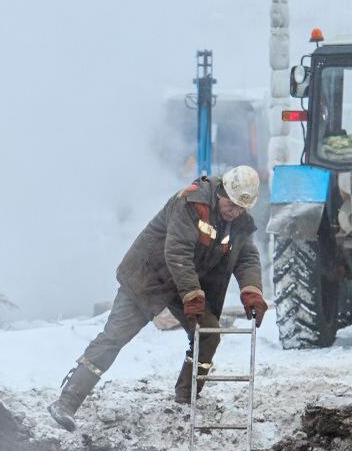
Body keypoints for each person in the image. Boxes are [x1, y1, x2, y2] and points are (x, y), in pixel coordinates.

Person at [47, 166, 268, 431]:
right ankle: (67, 402)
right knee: (115, 335)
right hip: (148, 278)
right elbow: (177, 251)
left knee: (208, 333)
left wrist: (252, 291)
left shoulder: (238, 222)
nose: (234, 212)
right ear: (222, 192)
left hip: (186, 284)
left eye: (241, 208)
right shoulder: (191, 202)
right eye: (231, 205)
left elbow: (246, 257)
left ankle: (186, 401)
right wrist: (193, 294)